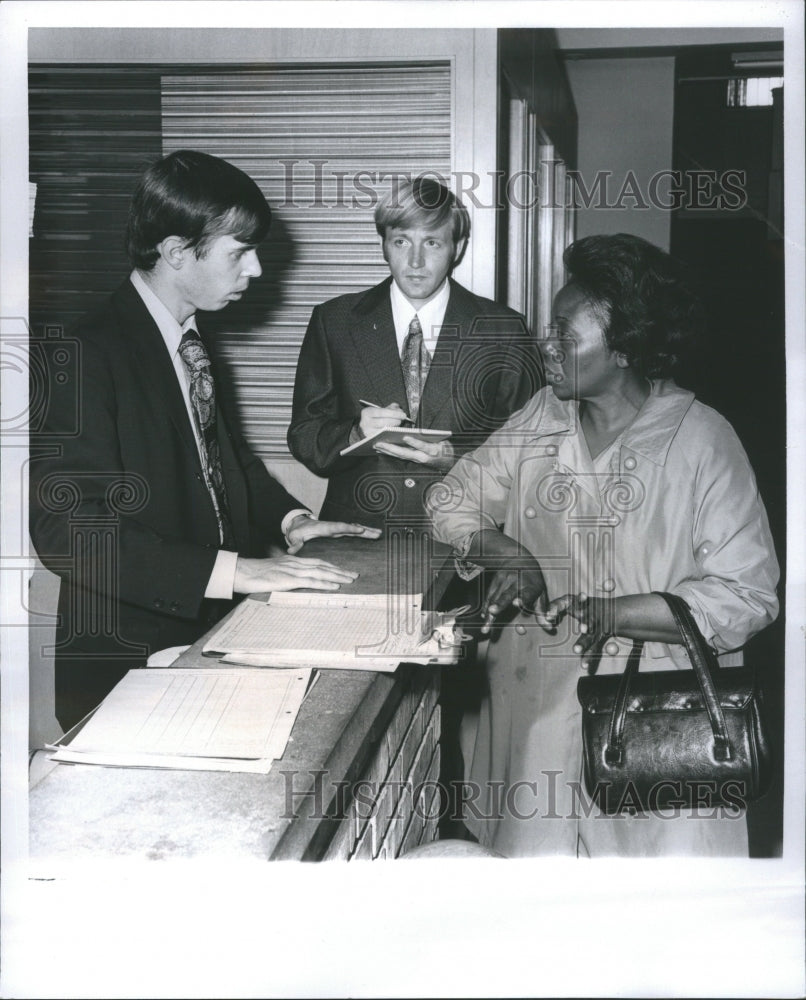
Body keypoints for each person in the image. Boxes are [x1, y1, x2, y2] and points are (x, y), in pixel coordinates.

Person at [427, 233, 780, 857]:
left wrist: (618, 612)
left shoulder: (702, 441)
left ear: (623, 347)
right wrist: (509, 554)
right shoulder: (541, 418)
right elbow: (451, 500)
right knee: (537, 915)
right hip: (536, 715)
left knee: (648, 922)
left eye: (565, 333)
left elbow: (747, 594)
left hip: (655, 723)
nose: (546, 344)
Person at [29, 150, 380, 730]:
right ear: (174, 252)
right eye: (239, 252)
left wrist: (291, 521)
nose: (258, 271)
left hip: (206, 632)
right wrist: (234, 573)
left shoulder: (190, 338)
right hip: (127, 658)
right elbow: (68, 530)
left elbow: (222, 459)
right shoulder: (83, 354)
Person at [287, 175, 543, 528]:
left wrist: (457, 458)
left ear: (459, 246)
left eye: (433, 243)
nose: (416, 261)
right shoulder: (334, 321)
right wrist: (354, 434)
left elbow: (531, 448)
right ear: (383, 244)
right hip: (357, 537)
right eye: (401, 241)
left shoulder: (504, 329)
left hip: (465, 539)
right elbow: (305, 435)